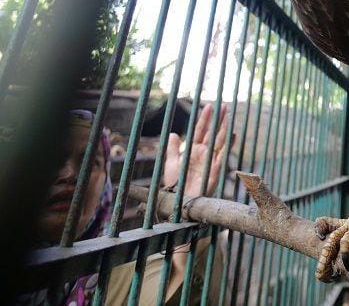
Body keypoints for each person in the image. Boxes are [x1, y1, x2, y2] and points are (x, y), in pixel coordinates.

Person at [23, 103, 228, 305]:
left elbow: (184, 289)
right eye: (52, 159)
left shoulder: (119, 271)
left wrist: (185, 206)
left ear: (105, 183)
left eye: (90, 161)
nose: (69, 175)